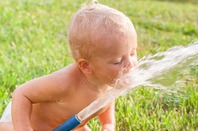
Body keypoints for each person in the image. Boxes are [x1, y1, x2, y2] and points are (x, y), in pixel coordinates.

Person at [0, 2, 138, 131]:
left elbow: (106, 100)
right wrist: (23, 128)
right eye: (118, 61)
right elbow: (21, 93)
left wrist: (108, 124)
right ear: (86, 66)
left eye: (132, 53)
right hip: (21, 120)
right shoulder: (65, 83)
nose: (130, 64)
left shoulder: (109, 80)